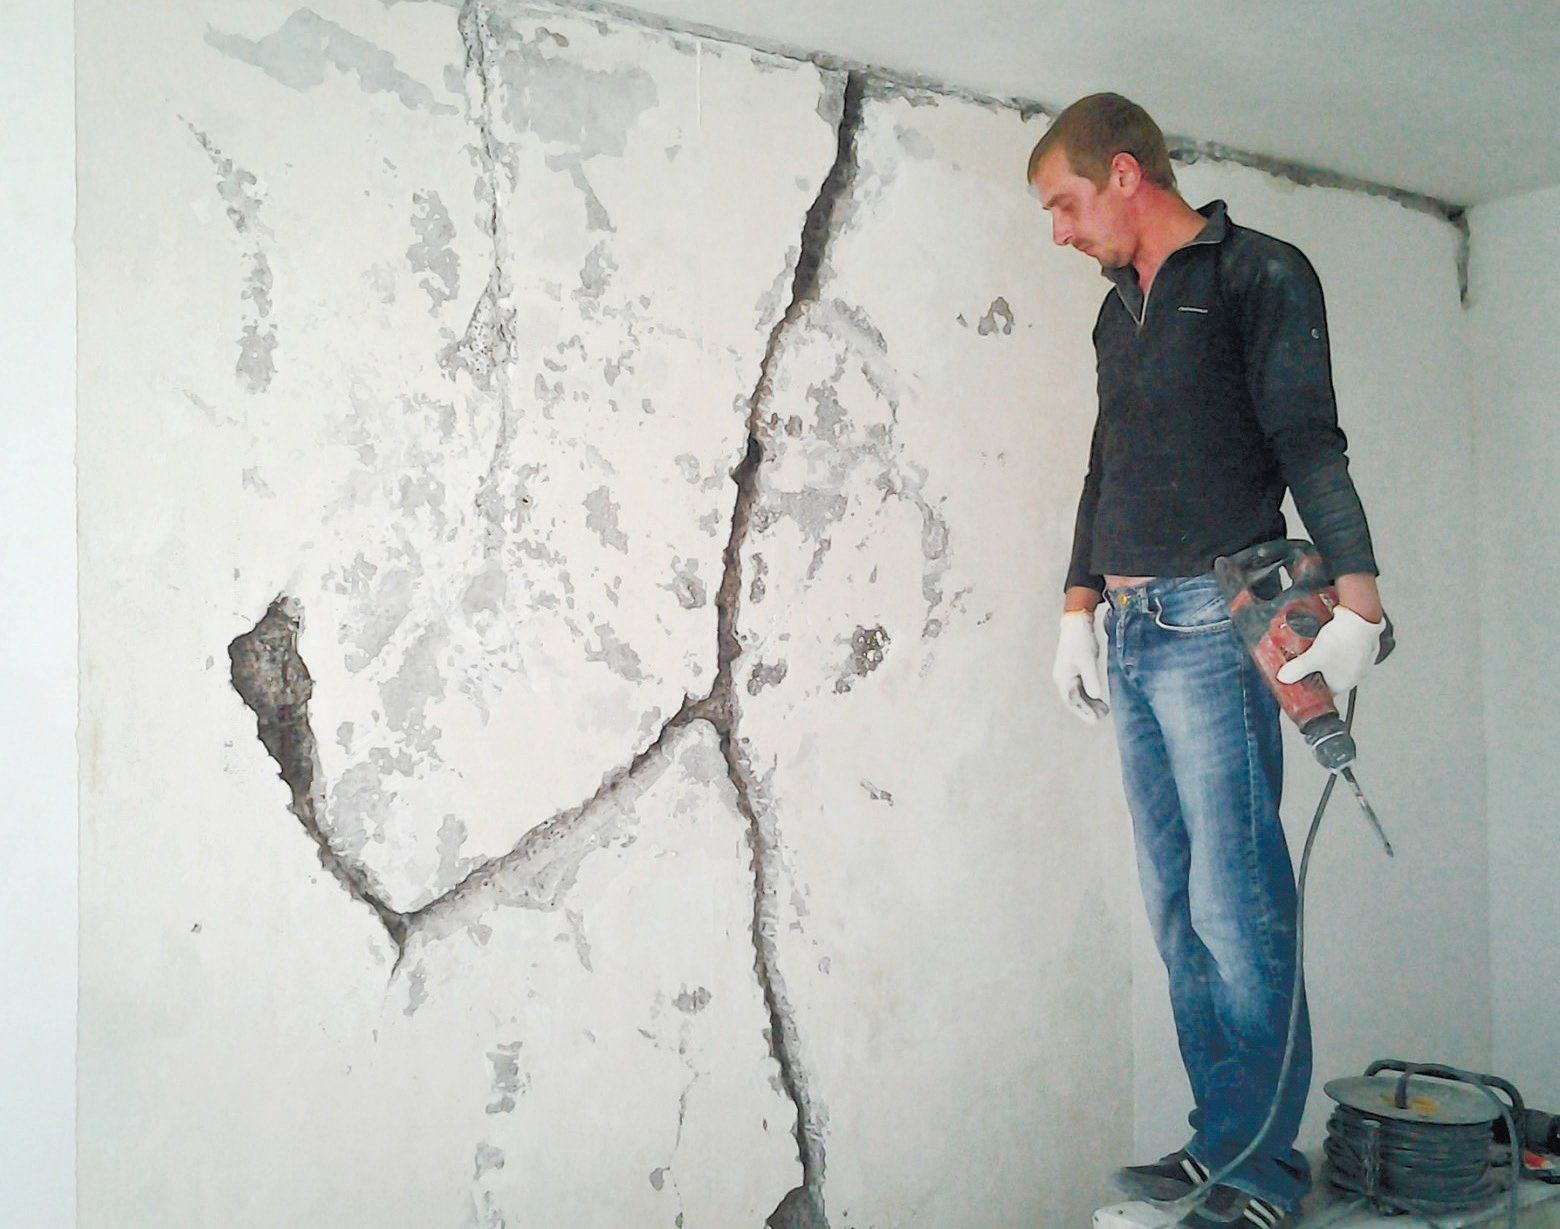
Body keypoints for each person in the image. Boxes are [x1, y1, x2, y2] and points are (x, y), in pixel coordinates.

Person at [1028, 94, 1388, 1228]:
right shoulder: (1115, 314)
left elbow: (1309, 440)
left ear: (1124, 173)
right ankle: (1222, 1141)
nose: (1059, 232)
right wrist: (1077, 606)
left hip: (1210, 618)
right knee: (1177, 906)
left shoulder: (1257, 274)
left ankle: (1265, 1172)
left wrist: (1360, 598)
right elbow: (1106, 465)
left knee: (1238, 904)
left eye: (1065, 204)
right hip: (1133, 628)